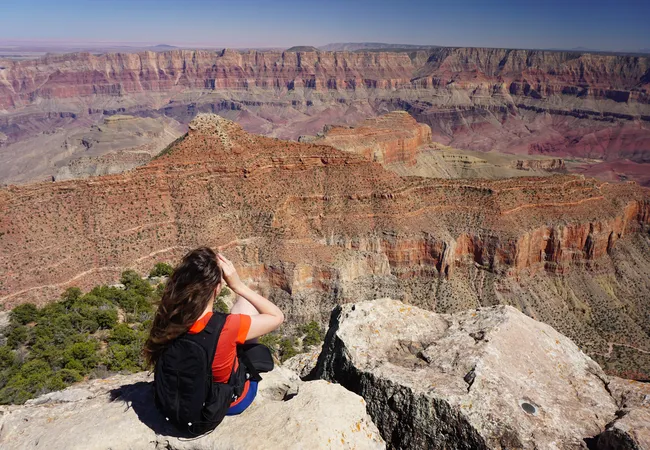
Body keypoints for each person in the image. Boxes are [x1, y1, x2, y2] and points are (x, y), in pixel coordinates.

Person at [143, 247, 284, 419]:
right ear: (217, 288)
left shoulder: (170, 318)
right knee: (246, 306)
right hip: (224, 404)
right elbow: (277, 316)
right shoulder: (227, 326)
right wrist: (238, 286)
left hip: (175, 403)